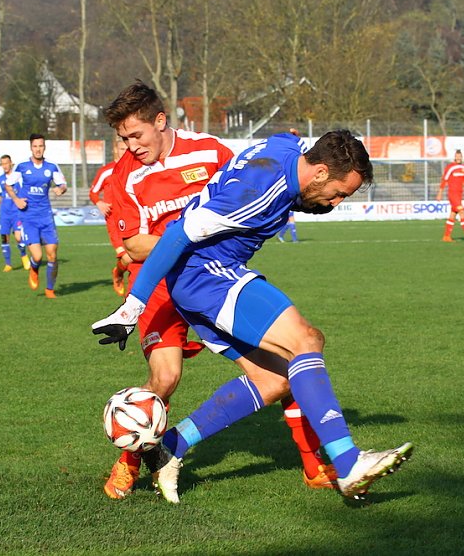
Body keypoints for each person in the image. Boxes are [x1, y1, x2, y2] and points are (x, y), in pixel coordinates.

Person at [93, 130, 413, 503]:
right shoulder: (260, 191)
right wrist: (132, 307)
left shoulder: (288, 150)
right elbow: (177, 237)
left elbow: (285, 137)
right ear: (322, 172)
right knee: (305, 340)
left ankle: (172, 447)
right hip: (205, 274)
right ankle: (348, 463)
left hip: (202, 278)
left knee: (274, 379)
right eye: (340, 192)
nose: (337, 202)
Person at [99, 81, 337, 501]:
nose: (130, 146)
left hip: (212, 280)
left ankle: (313, 464)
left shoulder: (209, 150)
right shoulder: (123, 176)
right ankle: (131, 460)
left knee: (284, 364)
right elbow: (135, 244)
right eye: (123, 138)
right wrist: (190, 241)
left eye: (135, 135)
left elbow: (255, 186)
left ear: (160, 120)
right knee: (166, 377)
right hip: (157, 288)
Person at [4, 134, 67, 299]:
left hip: (46, 217)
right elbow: (8, 184)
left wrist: (61, 189)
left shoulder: (52, 167)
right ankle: (33, 269)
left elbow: (62, 184)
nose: (38, 149)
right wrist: (16, 199)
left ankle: (50, 289)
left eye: (41, 146)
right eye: (35, 146)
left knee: (52, 254)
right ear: (31, 148)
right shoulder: (22, 167)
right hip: (29, 218)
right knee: (38, 256)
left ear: (44, 147)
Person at [88, 136, 130, 296]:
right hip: (114, 221)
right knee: (126, 256)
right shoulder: (106, 171)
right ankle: (118, 274)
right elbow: (93, 192)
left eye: (127, 149)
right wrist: (99, 203)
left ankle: (122, 276)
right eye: (121, 149)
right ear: (115, 150)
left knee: (135, 257)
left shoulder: (136, 168)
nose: (125, 152)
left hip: (133, 219)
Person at [0, 154, 30, 272]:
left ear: (11, 163)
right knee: (4, 238)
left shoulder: (19, 178)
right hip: (4, 213)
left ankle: (24, 256)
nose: (5, 166)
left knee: (19, 237)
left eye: (6, 163)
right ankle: (8, 264)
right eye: (2, 164)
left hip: (17, 212)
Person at [436, 149, 464, 242]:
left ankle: (446, 236)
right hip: (452, 194)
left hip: (459, 194)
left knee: (453, 214)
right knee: (462, 211)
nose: (458, 158)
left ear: (461, 157)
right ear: (455, 157)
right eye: (457, 156)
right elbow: (444, 180)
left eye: (460, 156)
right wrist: (440, 193)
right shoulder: (450, 167)